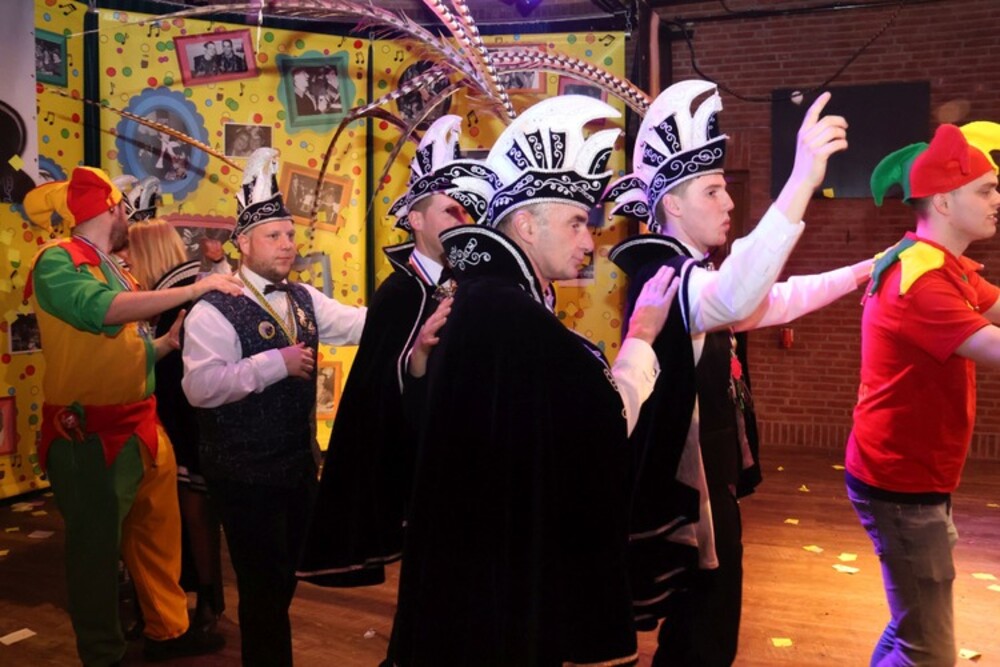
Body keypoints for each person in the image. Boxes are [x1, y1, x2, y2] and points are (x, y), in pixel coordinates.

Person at [387, 95, 680, 667]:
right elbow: (606, 422)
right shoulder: (514, 315)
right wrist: (642, 338)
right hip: (495, 592)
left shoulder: (485, 301)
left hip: (469, 579)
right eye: (575, 223)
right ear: (525, 224)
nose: (589, 241)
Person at [604, 80, 869, 666]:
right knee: (704, 640)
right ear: (673, 204)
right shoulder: (667, 276)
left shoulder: (694, 275)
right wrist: (800, 181)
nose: (728, 203)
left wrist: (860, 271)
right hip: (692, 495)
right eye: (713, 190)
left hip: (710, 486)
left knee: (703, 633)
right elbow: (739, 293)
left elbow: (773, 299)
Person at [22, 166, 239, 666]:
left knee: (157, 539)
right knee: (96, 553)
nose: (130, 218)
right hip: (89, 436)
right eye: (124, 207)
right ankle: (103, 653)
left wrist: (165, 344)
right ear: (112, 209)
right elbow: (100, 311)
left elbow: (126, 347)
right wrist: (195, 289)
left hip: (142, 424)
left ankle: (168, 630)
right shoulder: (58, 260)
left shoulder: (115, 266)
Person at [181, 147, 367, 667]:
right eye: (274, 236)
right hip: (242, 475)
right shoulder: (213, 309)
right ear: (243, 243)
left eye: (290, 234)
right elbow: (200, 387)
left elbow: (359, 323)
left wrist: (419, 306)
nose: (287, 244)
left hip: (296, 468)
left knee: (283, 581)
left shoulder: (304, 297)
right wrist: (273, 364)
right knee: (263, 593)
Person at [297, 114, 485, 586]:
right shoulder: (399, 294)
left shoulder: (474, 285)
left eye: (466, 212)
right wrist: (415, 357)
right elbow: (376, 392)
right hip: (410, 463)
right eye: (451, 211)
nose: (461, 222)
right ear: (416, 221)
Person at [846, 122, 1000, 666]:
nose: (998, 200)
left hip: (915, 475)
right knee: (929, 651)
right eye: (986, 189)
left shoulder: (941, 264)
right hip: (900, 483)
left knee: (912, 623)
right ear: (944, 201)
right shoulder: (922, 282)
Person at [128, 216, 230, 634]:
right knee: (180, 515)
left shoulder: (179, 301)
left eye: (129, 253)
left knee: (194, 511)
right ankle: (194, 598)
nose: (125, 262)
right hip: (178, 420)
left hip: (186, 422)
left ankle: (206, 599)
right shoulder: (170, 297)